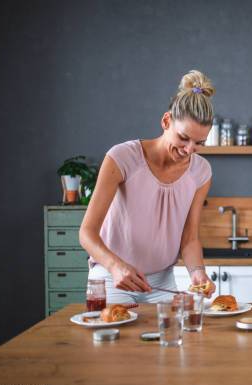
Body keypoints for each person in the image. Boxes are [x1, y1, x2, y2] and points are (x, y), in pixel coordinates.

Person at [79, 70, 216, 303]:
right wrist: (115, 266)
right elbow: (87, 233)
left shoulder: (201, 172)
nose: (189, 150)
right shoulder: (122, 157)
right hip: (113, 278)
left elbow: (190, 238)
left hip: (162, 283)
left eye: (199, 143)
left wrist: (197, 272)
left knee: (174, 338)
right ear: (166, 121)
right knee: (115, 337)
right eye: (183, 138)